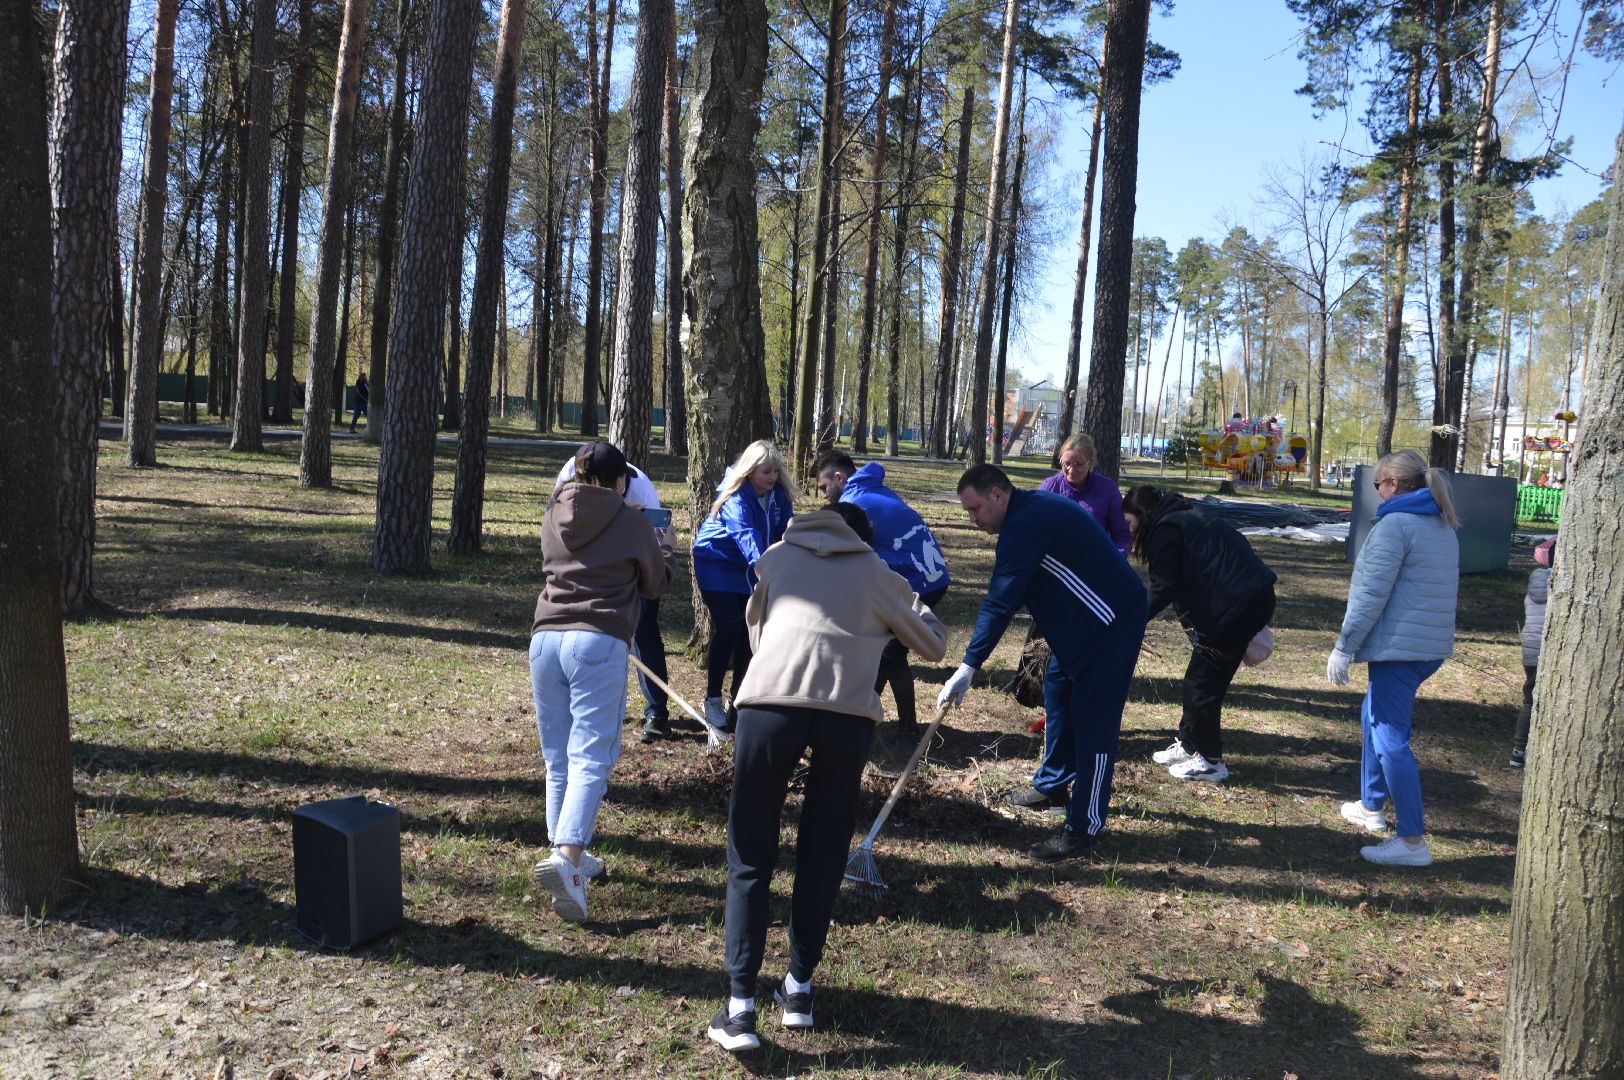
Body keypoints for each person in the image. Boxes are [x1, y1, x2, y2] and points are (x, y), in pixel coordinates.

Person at [707, 502, 948, 1052]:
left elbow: (755, 630)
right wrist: (906, 609)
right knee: (822, 851)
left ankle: (740, 1007)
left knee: (750, 851)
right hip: (845, 714)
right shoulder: (876, 573)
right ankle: (798, 991)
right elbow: (932, 644)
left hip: (769, 705)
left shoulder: (776, 557)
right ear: (864, 538)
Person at [938, 465, 1148, 862]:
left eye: (976, 509)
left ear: (998, 495)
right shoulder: (1028, 512)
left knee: (1094, 722)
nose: (973, 519)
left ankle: (1084, 827)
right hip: (1083, 626)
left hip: (1112, 623)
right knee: (1058, 687)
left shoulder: (1025, 525)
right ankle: (1054, 783)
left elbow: (1001, 600)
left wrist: (969, 665)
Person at [529, 441, 675, 920]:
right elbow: (656, 583)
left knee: (558, 756)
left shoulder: (552, 511)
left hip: (545, 639)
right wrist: (666, 549)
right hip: (598, 640)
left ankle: (566, 851)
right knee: (591, 755)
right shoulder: (632, 520)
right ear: (619, 483)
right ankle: (568, 859)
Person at [1326, 449, 1460, 868]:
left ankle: (1412, 841)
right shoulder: (1440, 522)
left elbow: (1370, 595)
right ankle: (1370, 807)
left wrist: (1345, 645)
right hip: (1426, 648)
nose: (1376, 492)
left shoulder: (1395, 525)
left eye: (1377, 485)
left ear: (1394, 485)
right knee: (1372, 715)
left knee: (1390, 739)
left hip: (1401, 650)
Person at [1121, 485, 1278, 783]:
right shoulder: (1185, 512)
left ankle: (1209, 760)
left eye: (1130, 523)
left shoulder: (1165, 529)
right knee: (1200, 679)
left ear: (1143, 515)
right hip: (1246, 598)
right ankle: (1190, 744)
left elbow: (1162, 587)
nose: (1130, 531)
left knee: (1202, 684)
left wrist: (1131, 621)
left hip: (1237, 607)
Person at [812, 449, 951, 731]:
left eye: (824, 487)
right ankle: (861, 716)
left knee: (891, 654)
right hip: (930, 576)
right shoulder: (872, 488)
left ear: (839, 477)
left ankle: (903, 727)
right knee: (885, 651)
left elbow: (845, 550)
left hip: (920, 581)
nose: (825, 495)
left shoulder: (854, 502)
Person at [552, 454, 673, 743]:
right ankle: (577, 710)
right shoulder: (569, 474)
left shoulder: (639, 487)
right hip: (584, 594)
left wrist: (662, 548)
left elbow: (652, 568)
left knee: (643, 629)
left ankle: (656, 713)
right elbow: (558, 527)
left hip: (634, 562)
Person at [691, 440, 795, 741]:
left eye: (776, 470)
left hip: (750, 568)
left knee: (750, 633)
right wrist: (769, 570)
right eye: (766, 471)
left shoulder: (776, 495)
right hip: (717, 563)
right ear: (749, 471)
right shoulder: (735, 497)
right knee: (730, 625)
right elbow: (747, 537)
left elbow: (786, 529)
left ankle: (738, 702)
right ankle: (712, 700)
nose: (772, 476)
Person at [1038, 434, 1132, 556]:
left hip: (1095, 561)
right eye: (1066, 463)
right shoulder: (1050, 487)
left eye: (1078, 464)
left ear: (1090, 462)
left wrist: (1113, 561)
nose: (1071, 470)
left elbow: (1122, 535)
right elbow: (1035, 527)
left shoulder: (1107, 489)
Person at [1511, 538, 1555, 768]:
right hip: (1548, 651)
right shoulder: (1561, 587)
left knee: (1530, 700)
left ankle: (1519, 750)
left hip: (1530, 650)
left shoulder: (1536, 582)